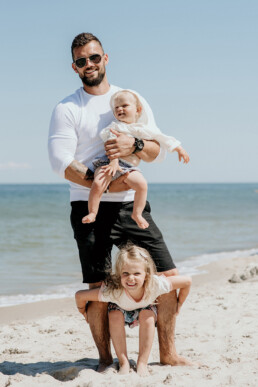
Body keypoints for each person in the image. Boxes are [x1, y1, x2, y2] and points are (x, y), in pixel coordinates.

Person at [48, 32, 191, 371]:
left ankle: (167, 353)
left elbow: (155, 150)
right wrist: (102, 183)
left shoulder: (130, 98)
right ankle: (104, 359)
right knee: (98, 286)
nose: (89, 64)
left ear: (106, 58)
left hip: (131, 205)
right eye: (82, 61)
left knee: (167, 276)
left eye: (94, 57)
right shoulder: (67, 108)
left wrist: (134, 148)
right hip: (88, 205)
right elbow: (60, 162)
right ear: (74, 67)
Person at [75, 245, 192, 376]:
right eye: (125, 274)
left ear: (146, 275)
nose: (131, 278)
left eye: (137, 274)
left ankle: (142, 363)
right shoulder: (115, 291)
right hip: (121, 309)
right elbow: (80, 295)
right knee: (114, 315)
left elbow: (187, 281)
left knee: (147, 315)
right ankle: (124, 362)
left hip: (145, 309)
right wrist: (83, 312)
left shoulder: (155, 284)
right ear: (119, 274)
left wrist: (179, 304)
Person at [82, 89, 189, 229]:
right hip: (109, 162)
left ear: (138, 110)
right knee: (98, 183)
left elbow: (162, 138)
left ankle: (137, 214)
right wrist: (113, 162)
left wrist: (178, 148)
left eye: (124, 106)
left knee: (142, 185)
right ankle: (93, 212)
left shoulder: (143, 129)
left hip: (129, 167)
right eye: (116, 108)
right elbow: (110, 142)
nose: (120, 109)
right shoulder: (116, 126)